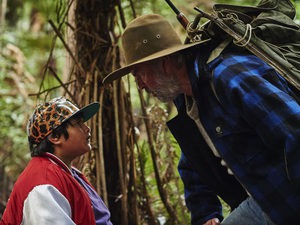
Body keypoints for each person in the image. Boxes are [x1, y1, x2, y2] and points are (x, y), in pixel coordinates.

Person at [102, 11, 300, 225]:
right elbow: (194, 165)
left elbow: (295, 131)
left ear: (165, 63)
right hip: (262, 201)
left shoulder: (229, 76)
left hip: (288, 201)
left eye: (139, 74)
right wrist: (207, 214)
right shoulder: (188, 101)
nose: (140, 85)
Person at [0, 97, 113, 225]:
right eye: (78, 124)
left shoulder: (68, 173)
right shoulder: (43, 184)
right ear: (55, 137)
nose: (87, 128)